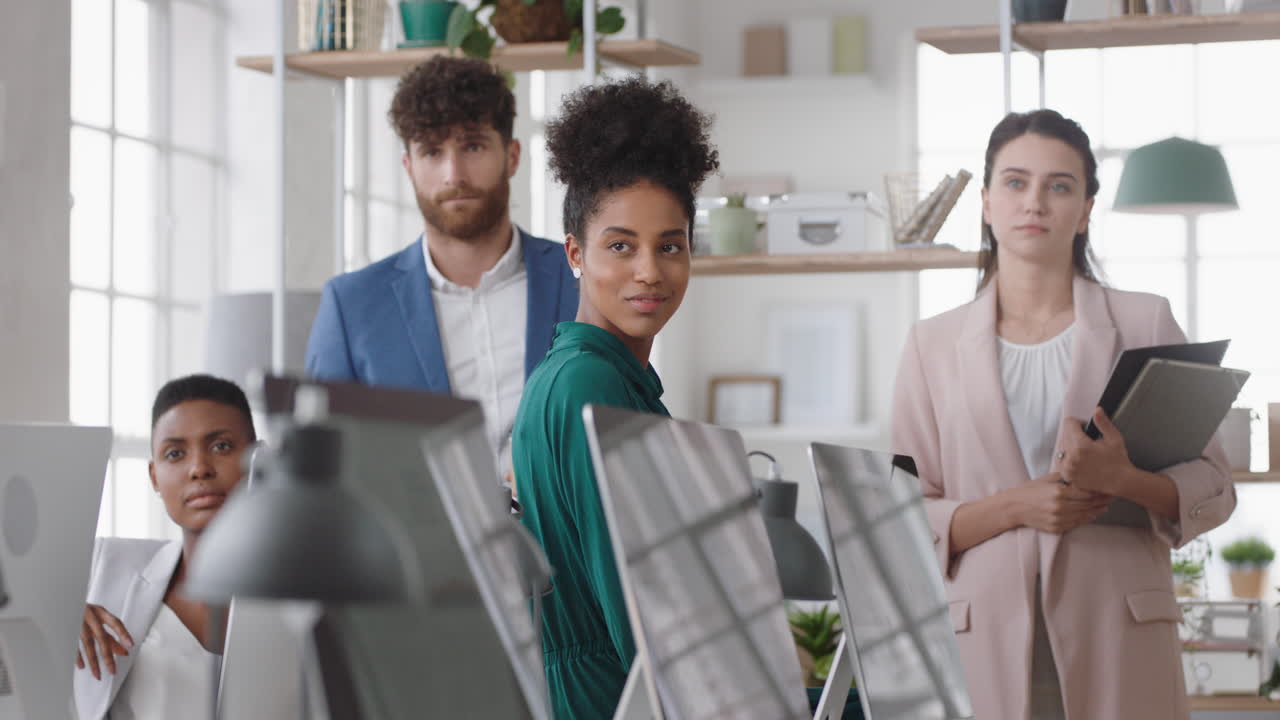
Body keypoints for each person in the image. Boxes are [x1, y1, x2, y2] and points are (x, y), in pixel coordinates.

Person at [891, 109, 1236, 720]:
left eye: (1060, 186)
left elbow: (1215, 487)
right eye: (1016, 182)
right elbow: (900, 517)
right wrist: (1014, 507)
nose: (1036, 203)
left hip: (1120, 634)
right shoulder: (931, 344)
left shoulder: (1145, 321)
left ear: (1085, 210)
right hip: (982, 640)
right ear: (987, 203)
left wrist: (1123, 480)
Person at [510, 76, 719, 719]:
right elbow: (643, 615)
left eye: (670, 246)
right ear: (575, 253)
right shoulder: (589, 386)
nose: (649, 271)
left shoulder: (592, 378)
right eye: (620, 246)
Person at [305, 56, 578, 472]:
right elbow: (322, 468)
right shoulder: (351, 306)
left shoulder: (579, 276)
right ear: (409, 167)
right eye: (432, 152)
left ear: (512, 155)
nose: (454, 174)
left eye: (472, 145)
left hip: (562, 536)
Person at [73, 374, 256, 720]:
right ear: (154, 476)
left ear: (258, 459)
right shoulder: (100, 565)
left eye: (221, 446)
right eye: (175, 453)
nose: (199, 468)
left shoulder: (304, 598)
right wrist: (50, 615)